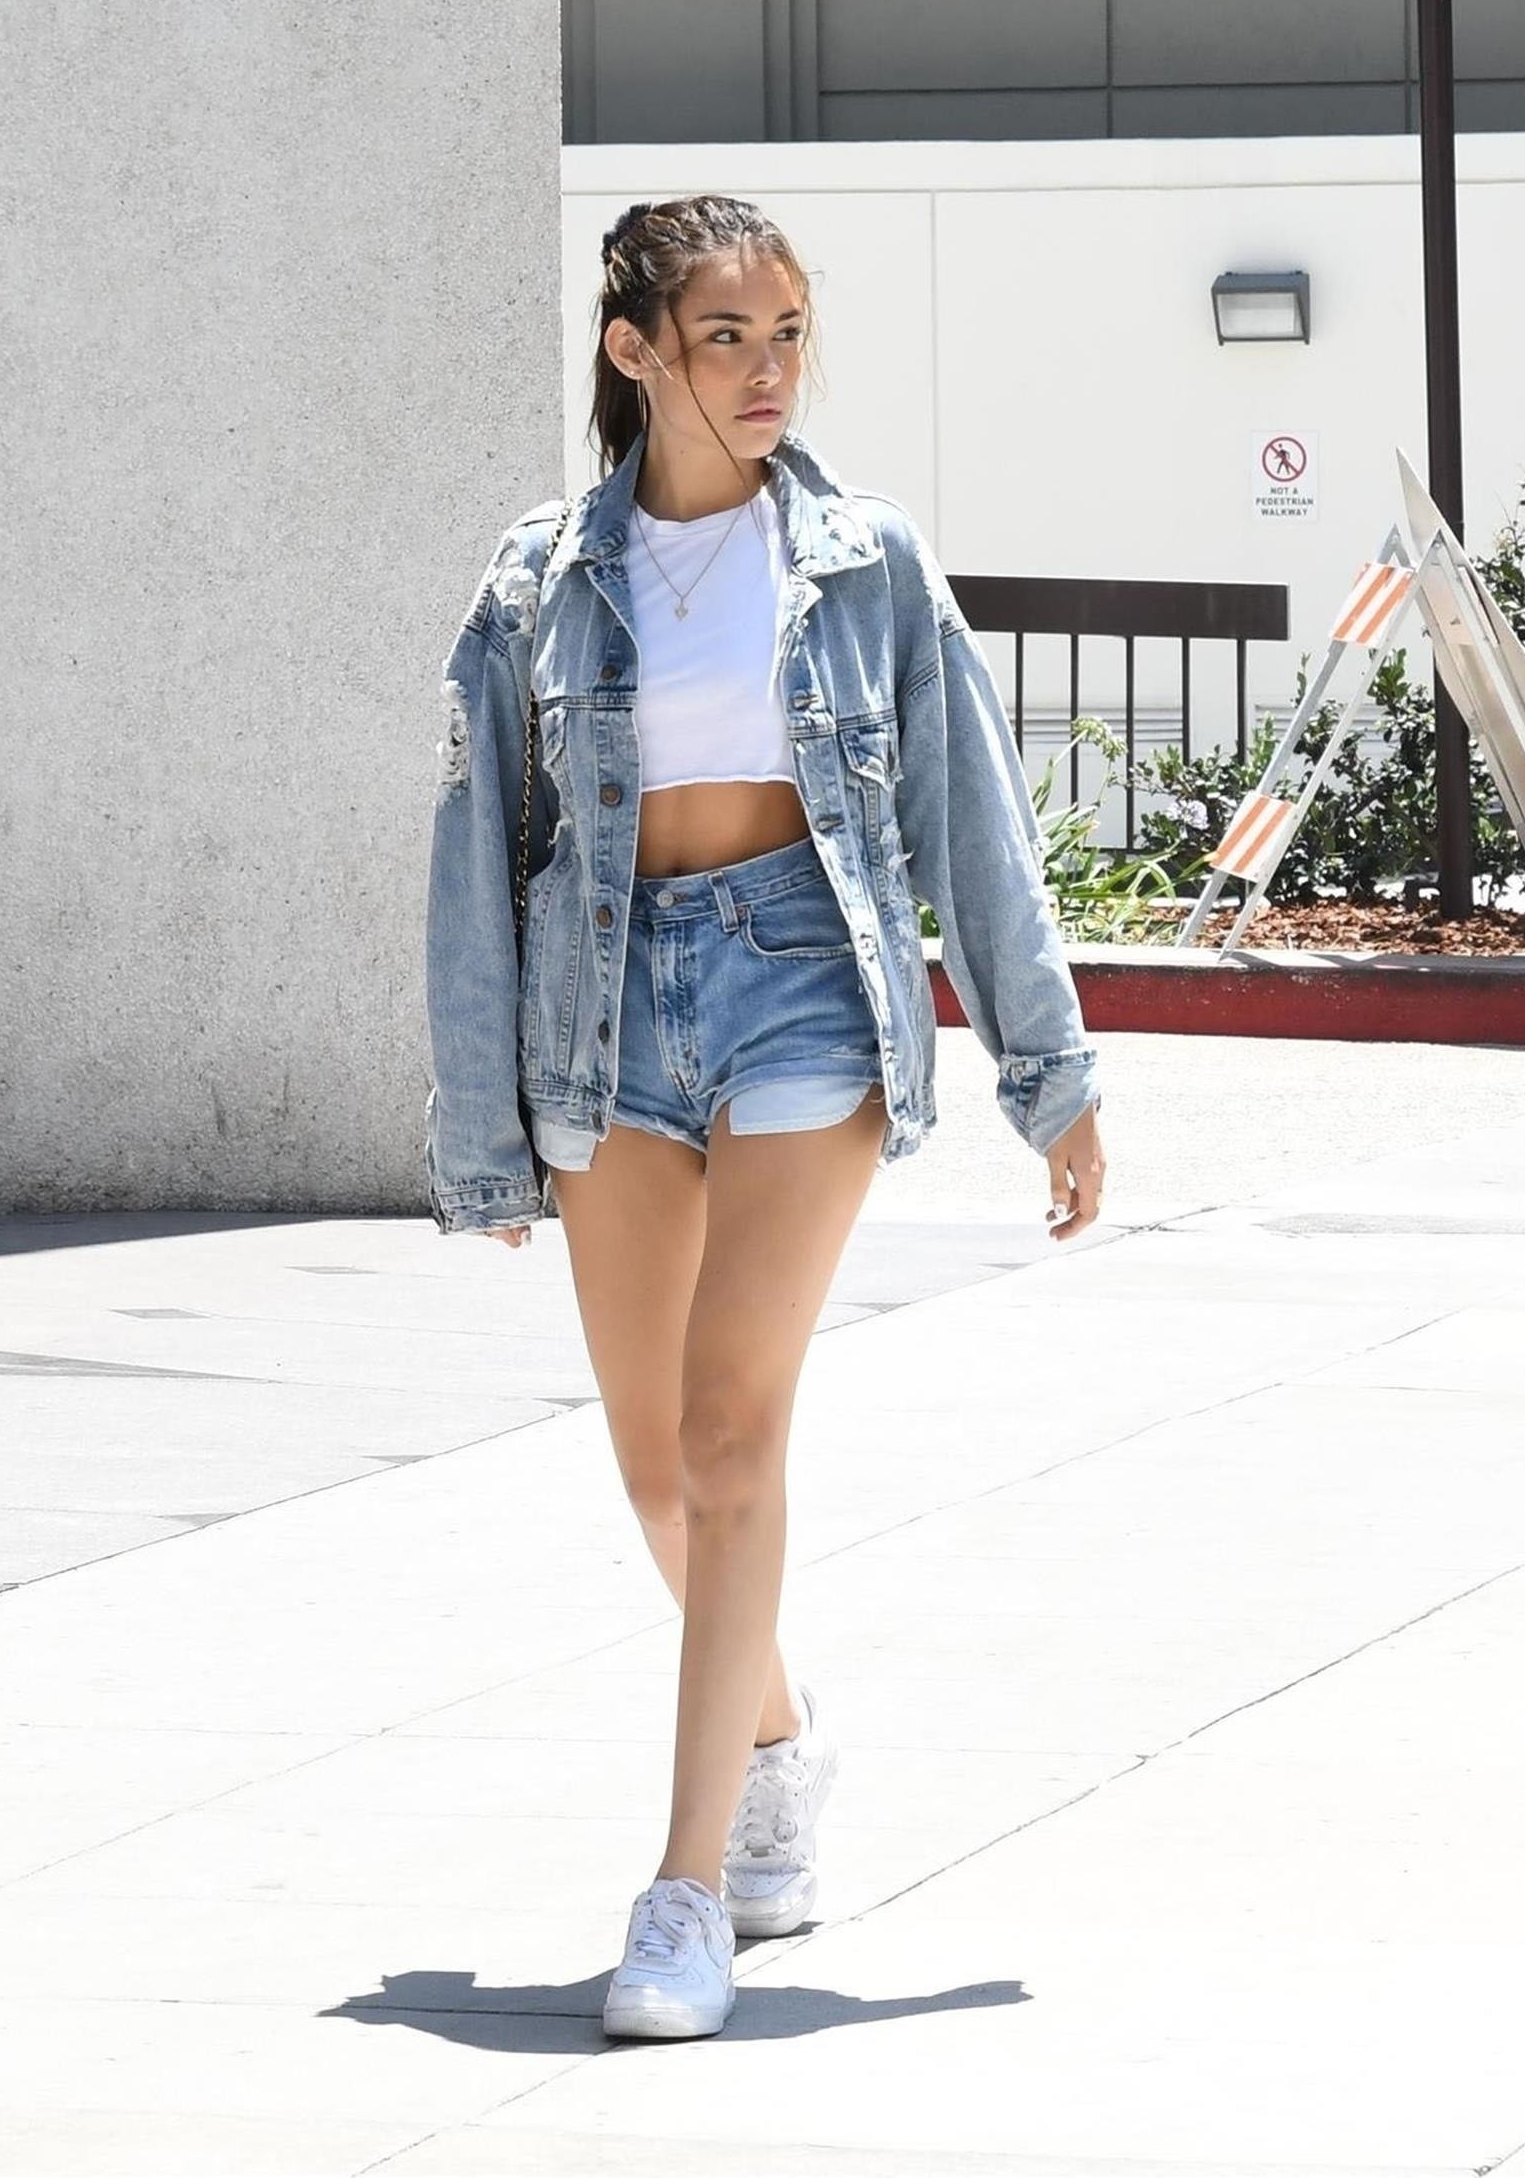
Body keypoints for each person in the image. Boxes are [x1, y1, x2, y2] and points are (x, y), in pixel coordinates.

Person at [425, 194, 1106, 2042]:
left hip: (802, 974)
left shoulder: (864, 560)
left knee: (734, 1427)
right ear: (634, 350)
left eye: (787, 332)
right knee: (660, 1473)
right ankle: (779, 1736)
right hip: (605, 1010)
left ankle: (685, 1888)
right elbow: (477, 860)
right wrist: (482, 1126)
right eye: (724, 336)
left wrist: (1049, 1070)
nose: (765, 370)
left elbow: (969, 812)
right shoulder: (538, 580)